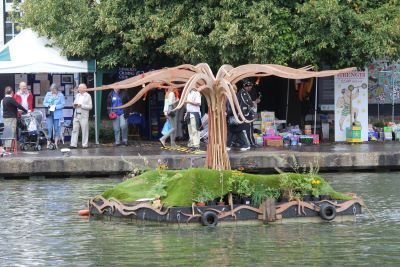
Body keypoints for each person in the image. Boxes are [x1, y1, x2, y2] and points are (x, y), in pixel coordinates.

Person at [238, 79, 260, 148]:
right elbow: (247, 102)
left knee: (245, 129)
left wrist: (254, 102)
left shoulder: (245, 92)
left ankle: (246, 142)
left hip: (245, 113)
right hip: (245, 114)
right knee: (249, 129)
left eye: (250, 86)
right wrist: (254, 102)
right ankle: (251, 143)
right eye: (249, 86)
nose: (250, 87)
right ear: (246, 86)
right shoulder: (242, 93)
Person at [70, 83, 92, 149]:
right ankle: (73, 144)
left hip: (84, 116)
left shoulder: (88, 96)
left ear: (84, 89)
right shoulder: (77, 95)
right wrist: (74, 105)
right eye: (78, 88)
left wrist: (81, 105)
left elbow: (90, 107)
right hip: (76, 115)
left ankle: (85, 144)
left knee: (84, 130)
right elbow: (75, 103)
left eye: (80, 88)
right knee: (74, 130)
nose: (78, 89)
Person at [43, 83, 65, 149]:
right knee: (49, 128)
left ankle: (55, 143)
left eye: (53, 90)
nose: (52, 91)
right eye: (51, 90)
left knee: (56, 128)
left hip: (57, 114)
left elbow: (63, 104)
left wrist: (55, 107)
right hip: (49, 113)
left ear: (56, 89)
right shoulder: (48, 94)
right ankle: (48, 143)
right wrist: (48, 105)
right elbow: (44, 103)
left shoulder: (60, 95)